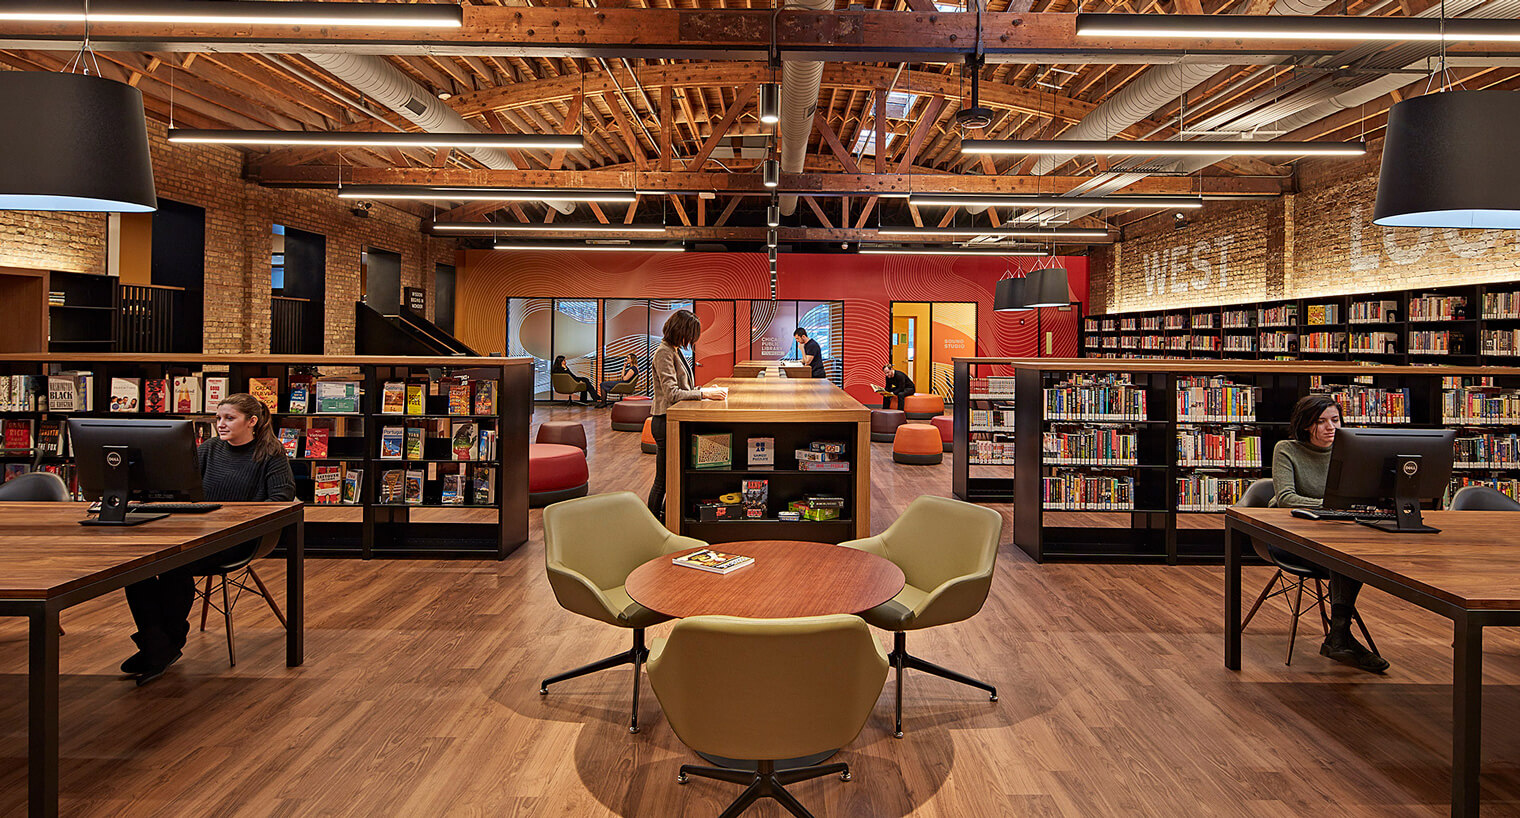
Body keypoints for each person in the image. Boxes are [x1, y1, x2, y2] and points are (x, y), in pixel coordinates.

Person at [122, 393, 296, 685]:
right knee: (136, 566)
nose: (221, 424)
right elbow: (184, 488)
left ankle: (164, 645)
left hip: (239, 538)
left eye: (230, 418)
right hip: (198, 533)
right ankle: (158, 644)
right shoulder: (209, 449)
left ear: (252, 421)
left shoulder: (270, 454)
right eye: (218, 418)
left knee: (174, 565)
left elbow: (280, 499)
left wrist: (232, 518)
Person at [1269, 393, 1389, 674]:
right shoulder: (1287, 449)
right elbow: (1286, 498)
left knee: (1353, 553)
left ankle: (1339, 635)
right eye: (1320, 421)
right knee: (1344, 556)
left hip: (1338, 533)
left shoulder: (1350, 452)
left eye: (1335, 420)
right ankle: (1340, 637)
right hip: (1291, 537)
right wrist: (1334, 505)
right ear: (1305, 425)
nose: (1330, 427)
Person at [648, 310, 725, 519]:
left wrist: (703, 391)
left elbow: (684, 387)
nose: (691, 340)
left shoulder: (674, 350)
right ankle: (652, 521)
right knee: (662, 480)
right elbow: (672, 393)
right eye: (690, 335)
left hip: (672, 420)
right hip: (665, 421)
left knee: (670, 477)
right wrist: (703, 393)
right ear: (679, 331)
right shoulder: (664, 352)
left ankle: (665, 516)